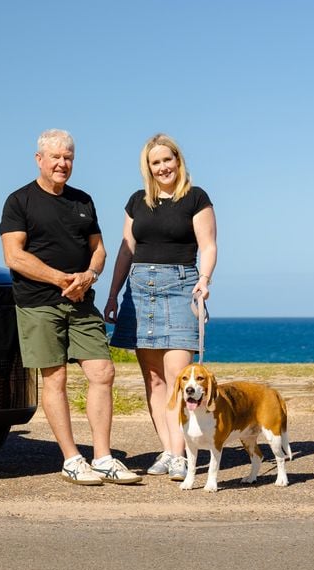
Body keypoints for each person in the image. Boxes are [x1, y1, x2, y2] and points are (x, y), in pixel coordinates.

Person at [1, 129, 141, 485]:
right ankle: (71, 459)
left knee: (103, 372)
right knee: (56, 378)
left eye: (68, 158)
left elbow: (99, 250)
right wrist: (61, 279)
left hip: (81, 301)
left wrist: (90, 275)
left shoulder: (83, 201)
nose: (62, 163)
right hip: (39, 304)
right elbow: (14, 256)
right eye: (56, 157)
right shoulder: (19, 201)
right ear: (40, 160)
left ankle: (103, 457)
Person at [104, 133, 217, 481]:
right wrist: (112, 294)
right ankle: (169, 451)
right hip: (139, 290)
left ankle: (181, 456)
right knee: (153, 379)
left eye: (168, 159)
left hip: (180, 287)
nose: (163, 167)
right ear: (148, 168)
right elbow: (126, 249)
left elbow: (208, 245)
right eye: (156, 162)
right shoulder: (136, 202)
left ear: (178, 161)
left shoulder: (195, 198)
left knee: (178, 379)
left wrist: (205, 279)